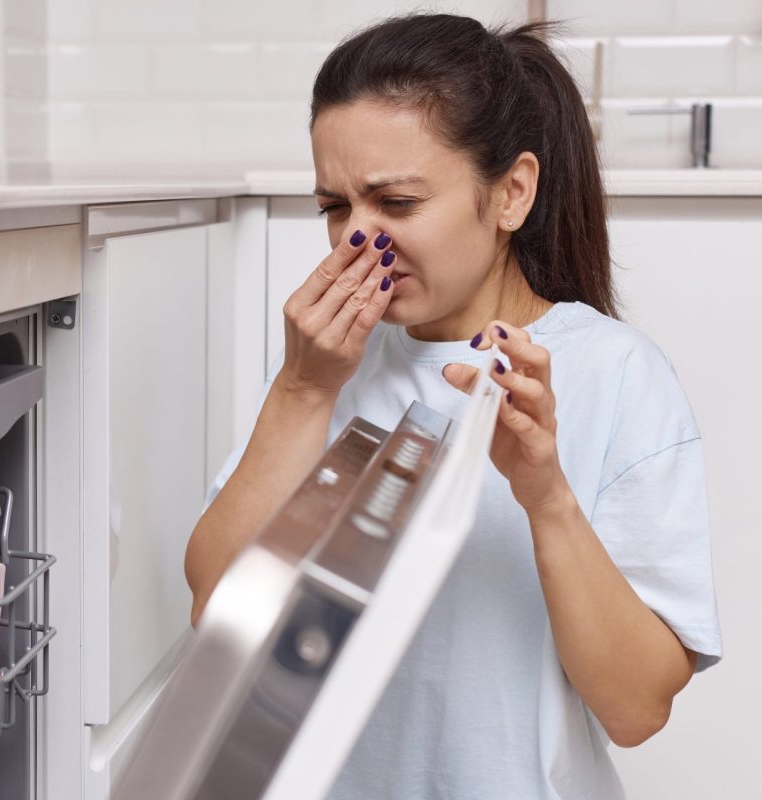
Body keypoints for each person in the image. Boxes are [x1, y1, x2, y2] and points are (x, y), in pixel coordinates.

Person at [184, 13, 722, 800]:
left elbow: (637, 710)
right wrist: (302, 392)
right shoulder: (326, 365)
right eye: (335, 205)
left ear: (511, 193)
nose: (357, 240)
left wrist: (546, 498)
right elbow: (216, 613)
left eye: (396, 203)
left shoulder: (616, 376)